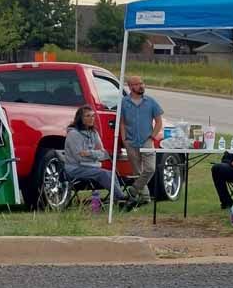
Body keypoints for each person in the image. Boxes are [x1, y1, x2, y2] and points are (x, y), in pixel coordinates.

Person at [64, 106, 131, 203]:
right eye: (88, 116)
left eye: (93, 116)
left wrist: (89, 153)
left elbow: (104, 154)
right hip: (75, 168)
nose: (92, 118)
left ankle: (118, 200)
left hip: (91, 167)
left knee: (112, 173)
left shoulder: (93, 133)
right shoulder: (74, 134)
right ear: (80, 118)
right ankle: (121, 197)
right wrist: (96, 156)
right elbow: (79, 157)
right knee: (103, 173)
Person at [118, 75, 163, 208]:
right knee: (137, 171)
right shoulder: (124, 102)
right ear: (131, 87)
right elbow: (122, 123)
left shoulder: (150, 102)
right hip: (131, 141)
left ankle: (133, 190)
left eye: (142, 83)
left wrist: (152, 136)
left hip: (147, 140)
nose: (141, 86)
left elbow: (159, 121)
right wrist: (124, 139)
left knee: (150, 168)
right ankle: (145, 198)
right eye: (137, 84)